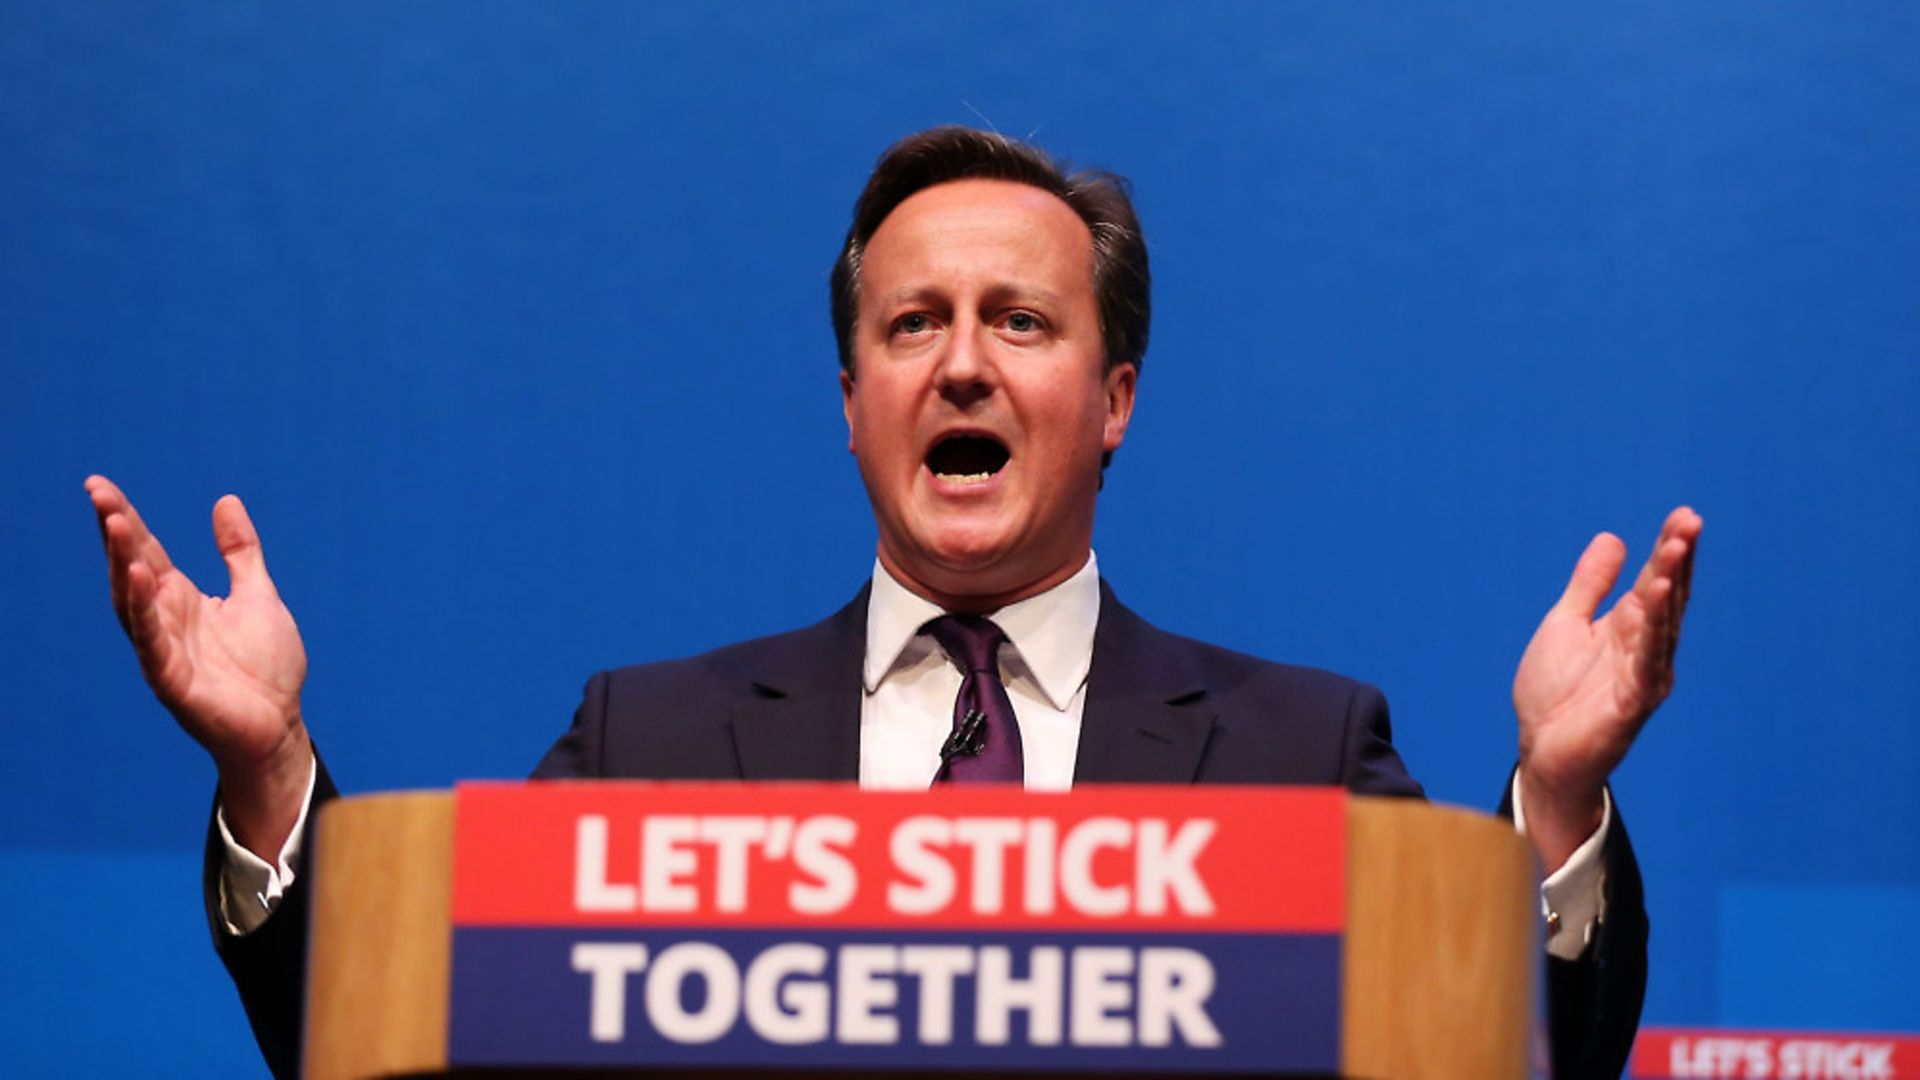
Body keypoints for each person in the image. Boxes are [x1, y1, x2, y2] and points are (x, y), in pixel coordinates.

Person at [87, 126, 1701, 1079]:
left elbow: (1503, 1057)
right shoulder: (648, 734)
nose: (964, 363)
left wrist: (1556, 802)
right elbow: (404, 1036)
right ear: (852, 398)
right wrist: (270, 776)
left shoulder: (1301, 742)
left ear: (1116, 394)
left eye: (1021, 320)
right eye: (913, 324)